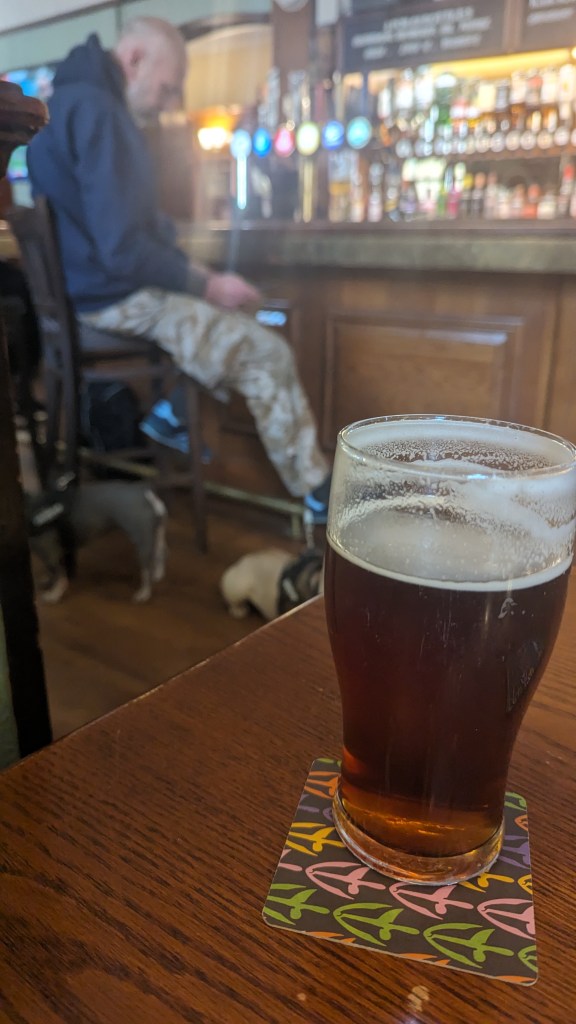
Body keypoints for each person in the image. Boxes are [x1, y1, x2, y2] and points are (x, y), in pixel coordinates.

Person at [27, 17, 331, 518]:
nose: (168, 103)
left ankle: (173, 410)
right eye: (167, 88)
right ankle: (317, 493)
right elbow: (123, 250)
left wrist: (195, 277)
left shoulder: (62, 103)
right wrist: (206, 283)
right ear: (134, 60)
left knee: (227, 322)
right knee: (267, 353)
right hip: (112, 299)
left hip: (86, 295)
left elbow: (127, 228)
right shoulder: (101, 113)